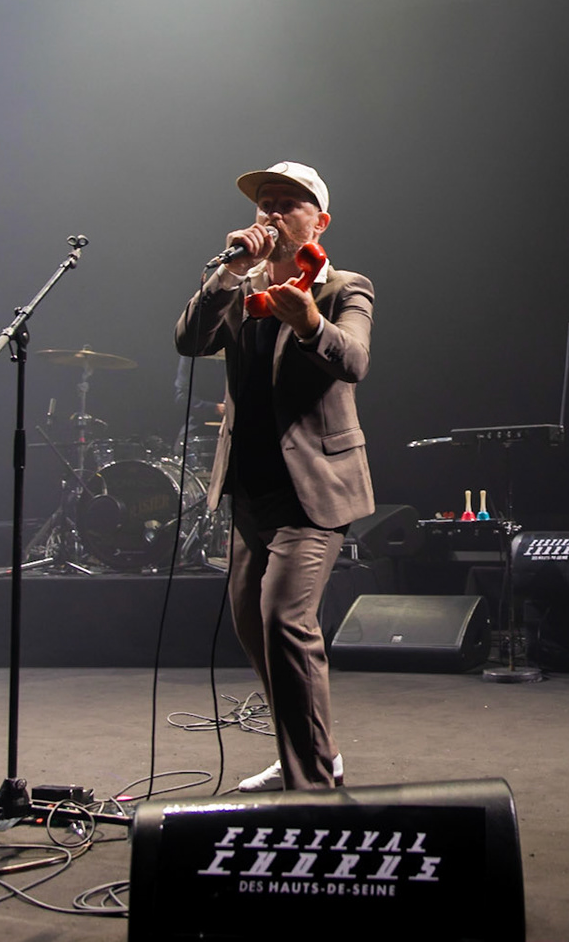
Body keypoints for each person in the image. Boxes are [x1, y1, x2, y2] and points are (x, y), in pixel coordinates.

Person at [176, 162, 372, 790]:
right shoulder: (240, 285)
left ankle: (312, 789)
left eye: (289, 203)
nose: (273, 213)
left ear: (321, 219)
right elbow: (188, 340)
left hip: (312, 492)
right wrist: (229, 274)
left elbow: (355, 359)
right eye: (266, 203)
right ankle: (315, 751)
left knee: (286, 621)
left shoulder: (345, 286)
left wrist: (308, 319)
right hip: (249, 490)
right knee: (252, 627)